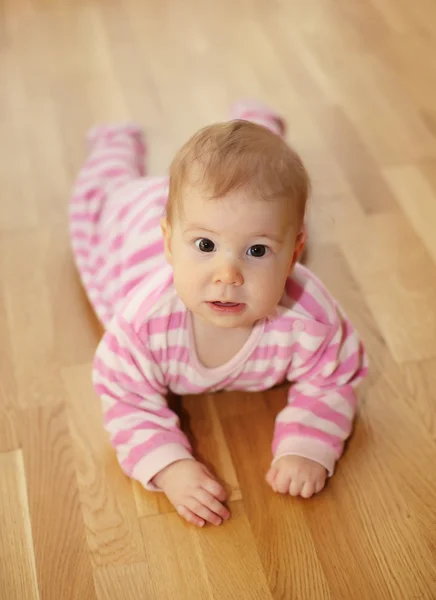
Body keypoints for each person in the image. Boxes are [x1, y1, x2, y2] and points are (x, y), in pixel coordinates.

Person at [69, 101, 368, 528]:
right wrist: (169, 465)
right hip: (130, 222)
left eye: (257, 251)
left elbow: (335, 375)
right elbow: (124, 394)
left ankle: (255, 124)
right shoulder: (143, 324)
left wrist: (306, 445)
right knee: (104, 193)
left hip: (208, 212)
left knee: (264, 180)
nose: (227, 275)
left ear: (294, 254)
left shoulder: (308, 317)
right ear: (169, 243)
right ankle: (116, 143)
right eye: (206, 247)